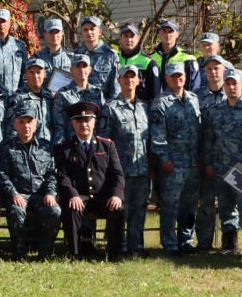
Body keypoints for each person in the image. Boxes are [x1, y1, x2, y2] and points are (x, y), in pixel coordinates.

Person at [201, 68, 242, 256]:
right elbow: (210, 140)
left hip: (241, 168)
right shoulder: (215, 111)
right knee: (225, 205)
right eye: (227, 83)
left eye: (234, 83)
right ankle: (230, 244)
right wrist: (209, 162)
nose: (231, 87)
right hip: (221, 166)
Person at [54, 101, 125, 261]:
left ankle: (114, 254)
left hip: (102, 197)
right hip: (80, 196)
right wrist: (72, 195)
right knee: (71, 208)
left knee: (118, 208)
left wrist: (116, 195)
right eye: (79, 120)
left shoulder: (107, 145)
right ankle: (75, 254)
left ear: (94, 122)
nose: (84, 124)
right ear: (73, 123)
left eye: (87, 120)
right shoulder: (65, 148)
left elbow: (117, 173)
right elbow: (63, 175)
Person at [150, 61, 202, 254]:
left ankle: (186, 240)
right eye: (173, 76)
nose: (177, 78)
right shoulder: (160, 102)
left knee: (190, 206)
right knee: (170, 206)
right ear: (166, 79)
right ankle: (170, 242)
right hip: (173, 164)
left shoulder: (193, 99)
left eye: (180, 75)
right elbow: (158, 135)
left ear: (185, 77)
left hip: (193, 163)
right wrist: (165, 159)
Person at [0, 106, 61, 260]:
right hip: (18, 194)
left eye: (29, 121)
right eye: (22, 122)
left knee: (55, 211)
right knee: (16, 211)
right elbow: (2, 175)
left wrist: (50, 193)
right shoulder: (7, 148)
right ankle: (19, 253)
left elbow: (52, 174)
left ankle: (45, 254)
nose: (26, 125)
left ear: (35, 123)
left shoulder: (46, 147)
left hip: (41, 195)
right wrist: (13, 194)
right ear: (15, 125)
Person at [100, 65, 151, 257]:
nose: (129, 80)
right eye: (125, 77)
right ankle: (118, 246)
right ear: (119, 80)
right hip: (120, 171)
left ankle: (136, 247)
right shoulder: (110, 108)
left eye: (132, 77)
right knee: (120, 210)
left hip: (142, 169)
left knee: (139, 210)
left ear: (138, 80)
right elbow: (104, 142)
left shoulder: (145, 108)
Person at [192, 55, 229, 250]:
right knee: (206, 202)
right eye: (209, 69)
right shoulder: (196, 97)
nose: (213, 72)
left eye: (217, 68)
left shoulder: (233, 93)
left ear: (224, 70)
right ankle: (204, 242)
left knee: (232, 201)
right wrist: (204, 160)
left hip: (231, 160)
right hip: (206, 159)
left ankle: (231, 242)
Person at [51, 55, 106, 144]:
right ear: (71, 69)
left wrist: (101, 145)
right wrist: (61, 147)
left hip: (94, 145)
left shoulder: (98, 93)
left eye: (84, 66)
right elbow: (59, 125)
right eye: (78, 66)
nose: (81, 69)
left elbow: (103, 122)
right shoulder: (63, 94)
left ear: (90, 69)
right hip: (72, 145)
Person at [9, 59, 54, 146]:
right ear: (26, 74)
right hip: (28, 147)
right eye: (31, 72)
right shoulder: (18, 97)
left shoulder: (49, 97)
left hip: (49, 147)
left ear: (44, 74)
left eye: (38, 72)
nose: (35, 76)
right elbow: (12, 127)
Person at [74, 15, 118, 100]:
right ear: (81, 33)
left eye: (92, 29)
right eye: (85, 30)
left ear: (100, 32)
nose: (89, 32)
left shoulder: (111, 55)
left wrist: (111, 105)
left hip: (103, 104)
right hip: (80, 103)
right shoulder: (75, 55)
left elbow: (116, 86)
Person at [150, 19, 200, 94]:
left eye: (171, 31)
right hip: (155, 101)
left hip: (180, 100)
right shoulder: (150, 59)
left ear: (177, 34)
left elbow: (193, 88)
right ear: (159, 34)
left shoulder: (187, 58)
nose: (168, 34)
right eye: (164, 31)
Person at [115, 22, 161, 102]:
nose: (129, 40)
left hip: (142, 107)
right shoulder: (114, 60)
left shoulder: (148, 62)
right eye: (126, 36)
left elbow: (155, 95)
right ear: (120, 39)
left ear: (138, 38)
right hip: (116, 107)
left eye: (132, 36)